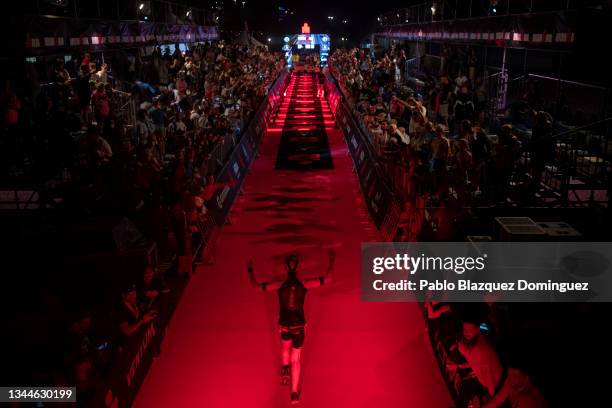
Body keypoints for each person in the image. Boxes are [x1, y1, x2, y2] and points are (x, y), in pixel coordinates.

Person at [247, 250, 336, 404]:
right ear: (298, 268)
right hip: (299, 326)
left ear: (286, 268)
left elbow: (256, 287)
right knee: (297, 359)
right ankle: (294, 393)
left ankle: (285, 368)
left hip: (284, 324)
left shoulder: (280, 284)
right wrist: (332, 259)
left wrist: (250, 270)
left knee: (284, 346)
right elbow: (327, 278)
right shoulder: (304, 284)